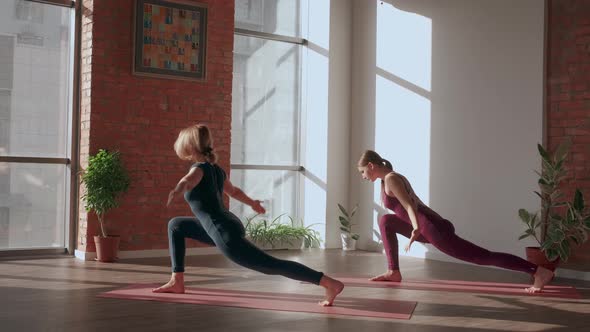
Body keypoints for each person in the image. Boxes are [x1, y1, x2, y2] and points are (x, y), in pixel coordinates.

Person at [153, 124, 344, 306]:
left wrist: (178, 190)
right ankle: (176, 280)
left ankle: (329, 283)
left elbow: (187, 181)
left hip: (222, 232)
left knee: (271, 265)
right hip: (225, 224)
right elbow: (234, 191)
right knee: (176, 225)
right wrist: (253, 204)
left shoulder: (197, 169)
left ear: (189, 145)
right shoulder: (216, 170)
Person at [357, 150, 554, 293]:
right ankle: (393, 271)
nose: (363, 176)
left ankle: (538, 271)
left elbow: (410, 206)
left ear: (371, 166)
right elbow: (418, 204)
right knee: (386, 220)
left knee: (482, 256)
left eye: (363, 172)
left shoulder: (391, 179)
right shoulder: (387, 179)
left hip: (430, 228)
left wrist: (416, 229)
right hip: (430, 224)